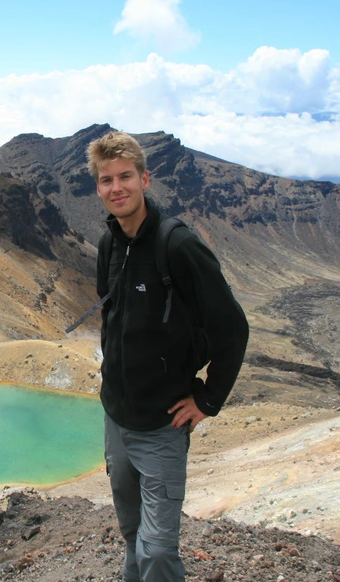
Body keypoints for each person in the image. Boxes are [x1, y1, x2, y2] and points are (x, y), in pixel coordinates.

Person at [88, 131, 249, 582]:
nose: (116, 188)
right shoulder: (109, 243)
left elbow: (233, 328)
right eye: (106, 180)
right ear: (98, 188)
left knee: (158, 550)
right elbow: (114, 316)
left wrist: (208, 399)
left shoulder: (177, 247)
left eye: (125, 177)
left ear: (145, 179)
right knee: (131, 532)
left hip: (162, 426)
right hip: (116, 418)